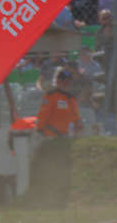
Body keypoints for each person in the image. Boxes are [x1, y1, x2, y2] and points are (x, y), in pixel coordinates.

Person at [32, 67, 82, 205]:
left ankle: (63, 197)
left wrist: (78, 125)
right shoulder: (51, 96)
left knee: (65, 170)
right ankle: (47, 198)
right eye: (63, 81)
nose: (66, 84)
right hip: (51, 139)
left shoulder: (71, 99)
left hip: (66, 140)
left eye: (68, 81)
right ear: (58, 81)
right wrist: (40, 131)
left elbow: (76, 117)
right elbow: (43, 116)